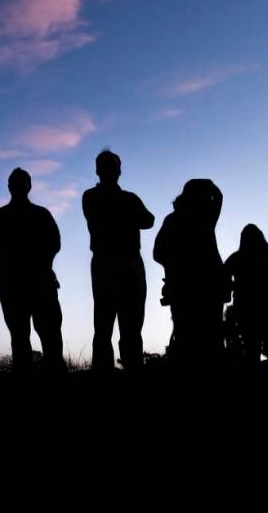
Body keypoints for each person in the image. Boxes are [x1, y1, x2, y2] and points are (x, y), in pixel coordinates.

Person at [81, 150, 154, 371]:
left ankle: (132, 369)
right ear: (98, 170)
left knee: (131, 326)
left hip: (130, 264)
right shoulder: (92, 197)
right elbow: (143, 219)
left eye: (112, 165)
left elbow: (148, 220)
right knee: (104, 326)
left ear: (119, 170)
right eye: (105, 165)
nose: (110, 169)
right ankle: (104, 374)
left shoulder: (128, 198)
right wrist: (127, 214)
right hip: (106, 264)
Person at [0, 168, 66, 372]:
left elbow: (55, 244)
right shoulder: (0, 216)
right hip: (12, 285)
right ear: (9, 186)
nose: (19, 185)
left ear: (29, 186)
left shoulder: (42, 214)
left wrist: (40, 264)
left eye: (23, 181)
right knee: (20, 337)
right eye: (15, 181)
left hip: (41, 283)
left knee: (50, 337)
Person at [154, 179, 227, 370]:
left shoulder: (191, 217)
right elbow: (158, 253)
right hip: (193, 287)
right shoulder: (203, 216)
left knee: (198, 337)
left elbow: (158, 253)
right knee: (203, 337)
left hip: (198, 286)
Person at [224, 224, 268, 367]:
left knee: (252, 348)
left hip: (249, 307)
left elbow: (223, 276)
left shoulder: (237, 258)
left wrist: (235, 287)